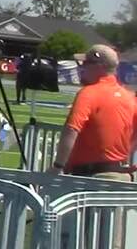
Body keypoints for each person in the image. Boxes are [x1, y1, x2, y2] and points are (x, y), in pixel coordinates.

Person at [51, 45, 137, 180]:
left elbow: (71, 129)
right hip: (120, 176)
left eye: (85, 63)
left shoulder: (88, 93)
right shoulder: (129, 97)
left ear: (99, 66)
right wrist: (122, 158)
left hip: (90, 177)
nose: (81, 68)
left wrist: (57, 166)